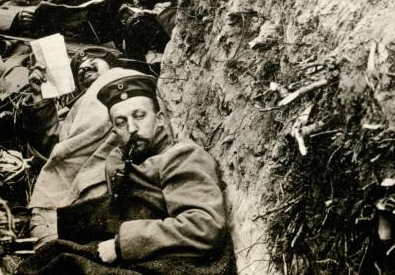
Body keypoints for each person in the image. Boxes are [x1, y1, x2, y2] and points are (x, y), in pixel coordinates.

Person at [16, 73, 234, 275]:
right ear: (113, 131)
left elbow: (203, 226)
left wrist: (122, 246)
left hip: (188, 265)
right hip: (149, 254)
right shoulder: (121, 158)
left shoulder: (181, 157)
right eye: (121, 122)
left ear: (159, 119)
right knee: (55, 253)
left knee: (71, 267)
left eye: (139, 116)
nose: (132, 128)